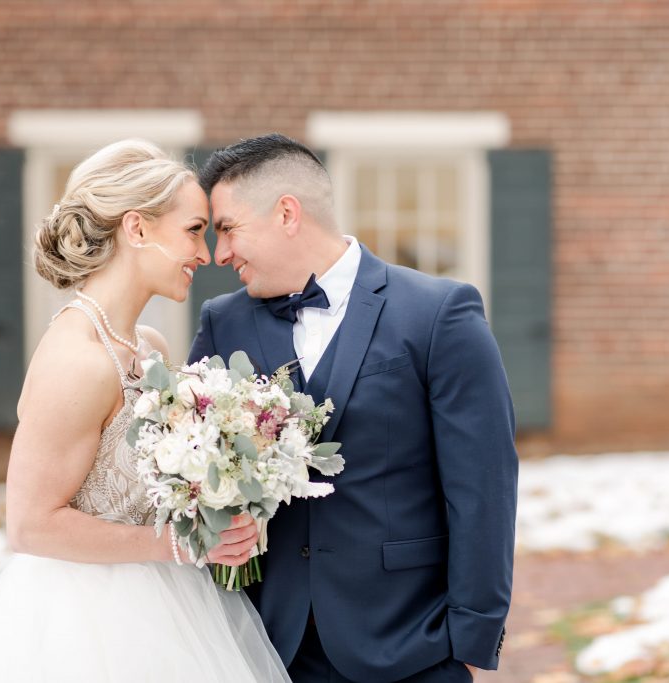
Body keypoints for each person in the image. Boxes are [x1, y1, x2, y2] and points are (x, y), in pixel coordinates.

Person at [0, 139, 289, 682]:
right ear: (136, 229)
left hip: (173, 607)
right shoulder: (77, 361)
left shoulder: (150, 347)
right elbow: (29, 526)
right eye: (192, 231)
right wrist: (181, 545)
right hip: (81, 622)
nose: (206, 255)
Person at [189, 134, 519, 682]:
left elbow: (483, 488)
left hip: (411, 641)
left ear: (287, 213)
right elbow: (198, 472)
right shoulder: (223, 323)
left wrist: (471, 636)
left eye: (226, 228)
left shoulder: (438, 314)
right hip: (270, 647)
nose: (219, 255)